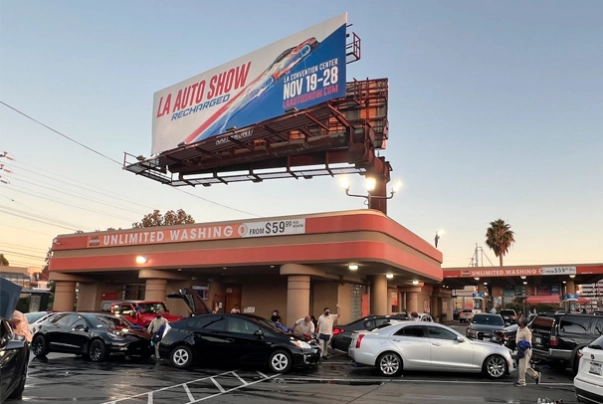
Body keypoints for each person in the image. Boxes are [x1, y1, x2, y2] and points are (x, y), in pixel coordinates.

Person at [515, 317, 541, 386]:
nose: (518, 322)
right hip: (520, 349)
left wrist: (522, 346)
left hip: (526, 350)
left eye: (520, 321)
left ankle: (522, 381)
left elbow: (528, 343)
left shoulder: (527, 332)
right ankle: (536, 375)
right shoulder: (519, 329)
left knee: (522, 366)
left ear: (523, 324)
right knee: (525, 366)